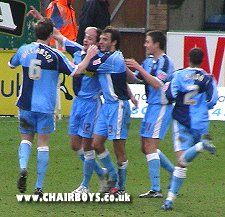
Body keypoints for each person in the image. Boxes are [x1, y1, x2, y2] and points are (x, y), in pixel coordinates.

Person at [8, 17, 97, 195]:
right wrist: (88, 56)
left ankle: (23, 167)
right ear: (51, 35)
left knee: (25, 139)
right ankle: (39, 187)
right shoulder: (56, 56)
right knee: (43, 144)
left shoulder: (24, 50)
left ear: (35, 33)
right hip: (45, 108)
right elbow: (77, 71)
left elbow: (11, 64)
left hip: (25, 104)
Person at [161, 48, 218, 211]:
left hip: (182, 121)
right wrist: (200, 107)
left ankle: (201, 146)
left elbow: (170, 95)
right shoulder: (208, 78)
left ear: (188, 58)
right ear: (202, 60)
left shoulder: (179, 75)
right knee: (182, 164)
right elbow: (213, 100)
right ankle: (170, 199)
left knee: (180, 161)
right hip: (200, 123)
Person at [125, 30, 175, 198]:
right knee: (145, 147)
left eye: (148, 42)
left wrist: (138, 67)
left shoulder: (166, 62)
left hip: (162, 106)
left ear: (157, 44)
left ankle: (156, 189)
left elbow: (156, 84)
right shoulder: (148, 61)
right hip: (151, 106)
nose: (145, 45)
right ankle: (174, 172)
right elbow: (135, 79)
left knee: (150, 146)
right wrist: (122, 67)